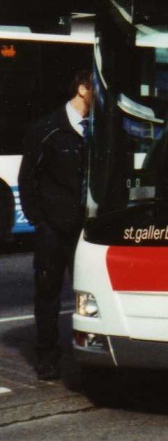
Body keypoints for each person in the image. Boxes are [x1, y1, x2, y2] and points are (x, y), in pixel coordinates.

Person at [17, 70, 93, 381]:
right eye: (96, 88)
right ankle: (47, 357)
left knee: (88, 296)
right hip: (53, 230)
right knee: (48, 294)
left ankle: (89, 356)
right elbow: (27, 179)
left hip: (87, 233)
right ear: (82, 89)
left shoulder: (99, 131)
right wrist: (39, 219)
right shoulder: (47, 129)